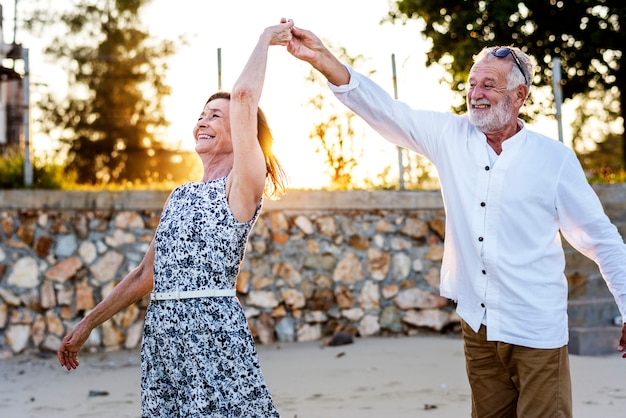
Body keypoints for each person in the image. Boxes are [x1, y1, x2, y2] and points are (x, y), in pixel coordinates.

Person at [287, 24, 626, 417]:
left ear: (519, 95)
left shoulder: (554, 160)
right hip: (478, 327)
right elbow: (385, 110)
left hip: (535, 330)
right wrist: (322, 59)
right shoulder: (450, 135)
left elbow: (600, 239)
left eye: (488, 85)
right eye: (472, 83)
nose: (475, 94)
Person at [58, 19, 293, 417]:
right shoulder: (180, 195)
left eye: (216, 116)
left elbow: (243, 97)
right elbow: (143, 275)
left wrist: (266, 39)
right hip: (164, 341)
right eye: (202, 115)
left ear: (242, 130)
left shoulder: (242, 185)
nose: (203, 120)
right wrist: (86, 325)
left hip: (212, 334)